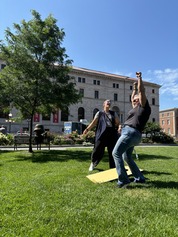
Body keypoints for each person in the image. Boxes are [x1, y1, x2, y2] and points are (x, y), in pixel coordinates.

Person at [112, 72, 151, 188]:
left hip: (131, 132)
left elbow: (141, 91)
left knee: (116, 153)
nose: (134, 101)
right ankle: (139, 178)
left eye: (136, 100)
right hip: (132, 133)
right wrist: (133, 89)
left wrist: (139, 79)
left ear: (142, 100)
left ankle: (123, 181)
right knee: (126, 156)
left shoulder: (144, 107)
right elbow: (133, 96)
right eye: (133, 100)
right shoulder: (135, 108)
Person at [83, 99, 120, 171]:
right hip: (101, 133)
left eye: (110, 102)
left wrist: (119, 127)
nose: (109, 103)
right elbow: (93, 123)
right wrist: (87, 129)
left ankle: (113, 167)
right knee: (97, 148)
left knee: (112, 150)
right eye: (107, 102)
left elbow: (118, 123)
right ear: (104, 104)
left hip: (111, 133)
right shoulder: (99, 113)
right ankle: (93, 163)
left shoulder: (113, 113)